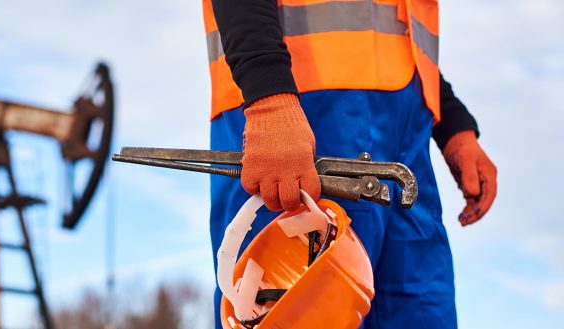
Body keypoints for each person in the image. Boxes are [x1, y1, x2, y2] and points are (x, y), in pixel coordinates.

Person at [203, 0, 498, 328]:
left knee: (418, 311)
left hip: (406, 130)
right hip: (302, 109)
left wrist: (452, 122)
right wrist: (268, 95)